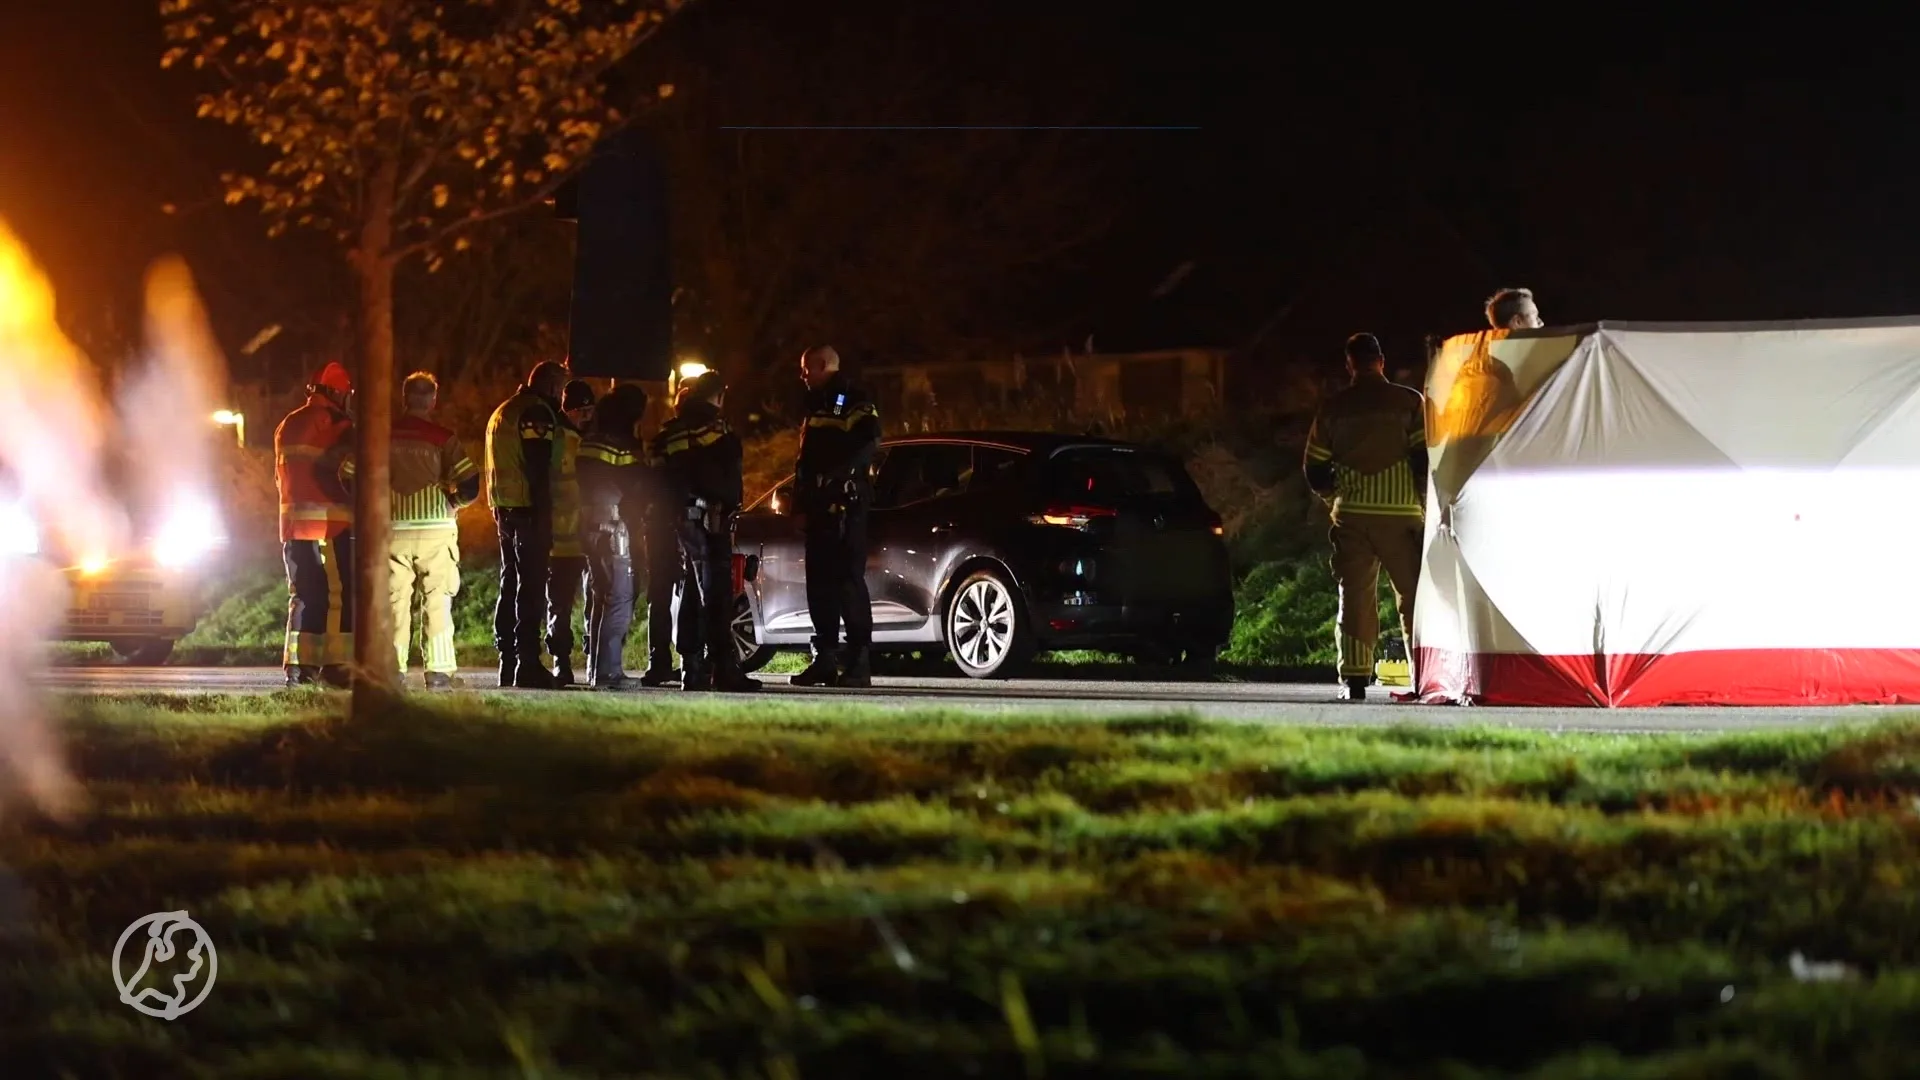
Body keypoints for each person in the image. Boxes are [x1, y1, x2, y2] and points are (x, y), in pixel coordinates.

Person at [1303, 332, 1427, 702]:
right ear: (1381, 361)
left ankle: (1355, 680)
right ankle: (1422, 676)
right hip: (1402, 515)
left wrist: (1334, 499)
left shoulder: (1334, 407)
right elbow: (1423, 458)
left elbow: (1315, 467)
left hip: (1353, 516)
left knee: (1355, 596)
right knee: (1413, 598)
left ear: (1349, 364)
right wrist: (1422, 500)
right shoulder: (1409, 402)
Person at [368, 372, 479, 690]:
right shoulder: (443, 437)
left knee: (394, 602)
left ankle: (392, 670)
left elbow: (349, 474)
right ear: (433, 400)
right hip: (436, 530)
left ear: (404, 399)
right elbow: (470, 482)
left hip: (393, 530)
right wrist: (454, 502)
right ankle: (439, 672)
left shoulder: (381, 436)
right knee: (437, 598)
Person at [652, 370, 760, 692]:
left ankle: (692, 667)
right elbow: (727, 479)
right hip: (711, 519)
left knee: (691, 591)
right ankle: (723, 669)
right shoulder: (716, 429)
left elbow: (660, 479)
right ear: (720, 395)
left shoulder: (672, 432)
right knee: (716, 595)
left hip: (681, 521)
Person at [790, 346, 881, 689]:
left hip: (845, 505)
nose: (803, 376)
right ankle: (825, 658)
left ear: (823, 365)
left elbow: (870, 441)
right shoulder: (815, 404)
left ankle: (858, 661)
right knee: (819, 585)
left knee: (847, 583)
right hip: (817, 507)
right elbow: (804, 461)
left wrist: (839, 477)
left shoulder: (855, 397)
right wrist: (799, 504)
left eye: (806, 369)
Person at [484, 360, 568, 689]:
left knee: (510, 583)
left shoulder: (502, 411)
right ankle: (528, 663)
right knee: (530, 589)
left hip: (504, 509)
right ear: (549, 386)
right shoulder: (536, 412)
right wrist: (545, 511)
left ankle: (508, 660)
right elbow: (537, 467)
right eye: (560, 389)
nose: (561, 397)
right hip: (528, 510)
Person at [273, 361, 356, 689]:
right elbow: (346, 473)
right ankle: (337, 669)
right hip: (331, 524)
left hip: (293, 526)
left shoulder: (287, 424)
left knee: (304, 595)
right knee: (339, 595)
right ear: (338, 393)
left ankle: (299, 669)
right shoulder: (338, 424)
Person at [575, 384, 651, 691]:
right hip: (614, 525)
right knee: (619, 598)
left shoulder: (589, 441)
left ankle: (597, 670)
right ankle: (609, 672)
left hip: (590, 524)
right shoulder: (622, 446)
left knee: (600, 597)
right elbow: (638, 486)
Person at [545, 379, 593, 686]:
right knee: (560, 604)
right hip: (562, 539)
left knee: (593, 601)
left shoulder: (585, 440)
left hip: (585, 537)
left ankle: (593, 660)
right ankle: (561, 661)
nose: (589, 416)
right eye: (584, 410)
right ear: (571, 409)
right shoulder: (561, 439)